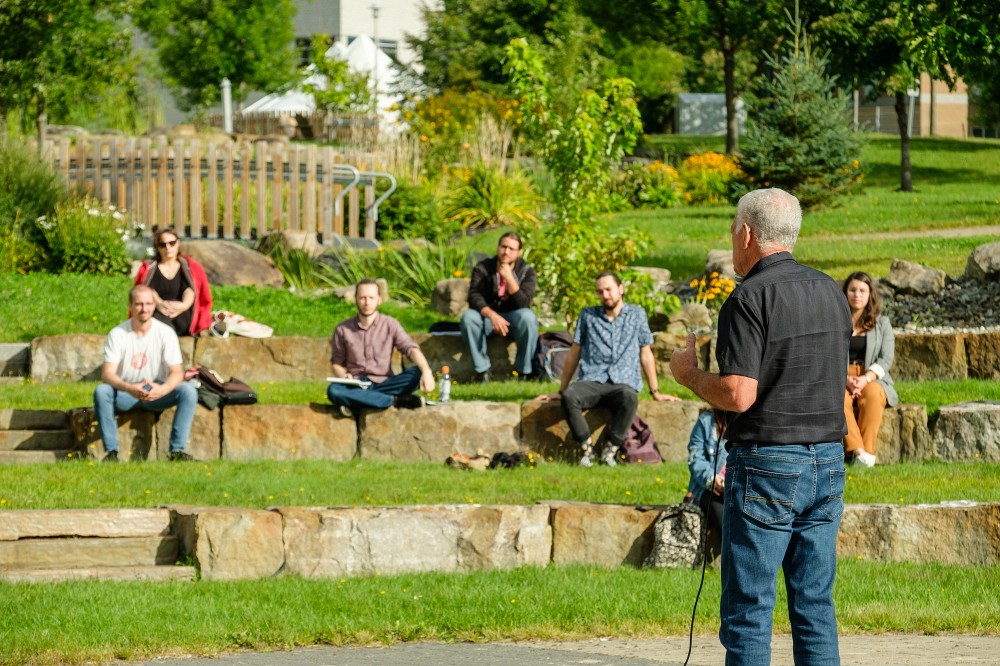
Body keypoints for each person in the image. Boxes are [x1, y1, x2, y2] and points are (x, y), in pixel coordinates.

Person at [669, 188, 851, 665]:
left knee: (750, 610)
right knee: (814, 606)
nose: (733, 240)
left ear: (746, 233)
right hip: (828, 461)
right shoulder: (832, 291)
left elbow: (739, 394)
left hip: (769, 463)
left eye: (733, 230)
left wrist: (686, 373)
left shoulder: (748, 297)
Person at [540, 272, 678, 467]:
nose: (605, 295)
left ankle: (610, 450)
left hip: (623, 382)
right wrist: (561, 390)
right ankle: (586, 449)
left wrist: (655, 391)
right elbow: (574, 353)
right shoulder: (587, 315)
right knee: (570, 397)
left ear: (620, 289)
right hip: (592, 379)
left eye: (608, 289)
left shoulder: (637, 314)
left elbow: (645, 354)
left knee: (630, 397)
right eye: (600, 291)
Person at [94, 285, 199, 462]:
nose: (144, 309)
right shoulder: (118, 334)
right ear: (130, 306)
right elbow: (107, 374)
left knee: (188, 391)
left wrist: (163, 389)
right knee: (102, 392)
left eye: (149, 304)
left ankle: (177, 452)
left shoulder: (165, 332)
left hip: (157, 392)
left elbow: (176, 371)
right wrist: (130, 387)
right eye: (139, 304)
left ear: (154, 305)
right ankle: (111, 452)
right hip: (126, 393)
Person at [327, 278, 435, 417]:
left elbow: (410, 348)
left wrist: (426, 371)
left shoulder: (390, 324)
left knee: (417, 373)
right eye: (362, 298)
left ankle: (358, 401)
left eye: (371, 298)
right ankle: (395, 400)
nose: (367, 302)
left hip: (385, 382)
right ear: (355, 299)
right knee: (334, 391)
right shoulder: (343, 329)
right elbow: (336, 363)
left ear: (379, 299)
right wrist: (343, 375)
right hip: (356, 383)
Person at [460, 232, 539, 382]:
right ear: (498, 247)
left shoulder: (527, 272)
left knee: (528, 318)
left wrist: (509, 277)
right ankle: (482, 371)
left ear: (519, 252)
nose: (506, 252)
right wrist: (492, 315)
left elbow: (523, 303)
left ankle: (524, 371)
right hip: (488, 319)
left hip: (514, 320)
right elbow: (474, 297)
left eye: (511, 249)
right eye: (503, 246)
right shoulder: (483, 268)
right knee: (468, 318)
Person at [842, 271, 898, 467]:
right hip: (841, 376)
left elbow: (886, 358)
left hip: (872, 376)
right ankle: (858, 450)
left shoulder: (882, 323)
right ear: (845, 293)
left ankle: (867, 453)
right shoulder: (835, 321)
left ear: (870, 295)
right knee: (837, 399)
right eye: (853, 290)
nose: (857, 295)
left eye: (862, 291)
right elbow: (828, 355)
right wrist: (845, 379)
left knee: (873, 396)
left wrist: (865, 379)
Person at [134, 227, 213, 337]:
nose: (168, 248)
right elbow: (145, 291)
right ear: (157, 247)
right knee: (161, 325)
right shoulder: (149, 269)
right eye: (163, 244)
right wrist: (160, 303)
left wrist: (183, 306)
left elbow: (191, 290)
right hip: (157, 312)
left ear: (178, 243)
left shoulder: (190, 267)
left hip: (183, 312)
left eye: (172, 243)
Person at [685, 408, 728, 552]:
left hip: (735, 488)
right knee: (726, 523)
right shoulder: (705, 422)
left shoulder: (748, 421)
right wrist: (713, 480)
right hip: (707, 489)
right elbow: (695, 460)